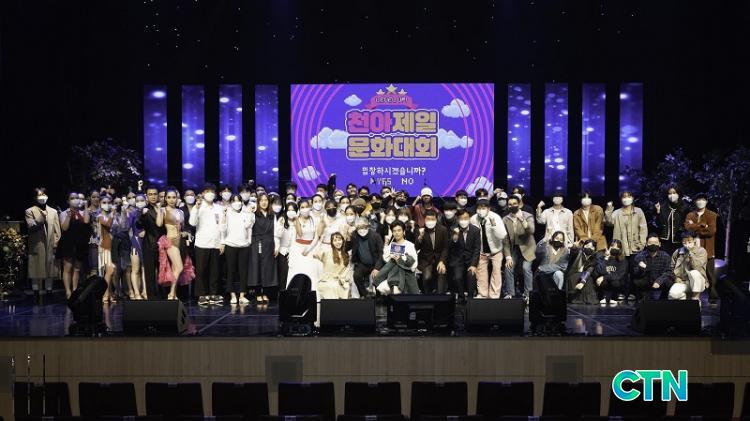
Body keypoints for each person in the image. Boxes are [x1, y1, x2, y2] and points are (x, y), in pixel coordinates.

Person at [189, 184, 224, 306]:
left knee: (215, 271)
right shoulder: (199, 207)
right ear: (203, 193)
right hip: (202, 243)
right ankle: (202, 295)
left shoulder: (218, 208)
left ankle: (213, 293)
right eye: (207, 191)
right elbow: (192, 223)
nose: (210, 194)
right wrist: (196, 208)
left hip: (216, 243)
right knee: (201, 270)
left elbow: (222, 226)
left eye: (212, 191)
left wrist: (222, 242)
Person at [25, 188, 61, 298]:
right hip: (37, 244)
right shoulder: (30, 211)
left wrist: (56, 243)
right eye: (39, 195)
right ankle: (36, 291)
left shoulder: (53, 212)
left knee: (50, 268)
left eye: (44, 194)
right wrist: (41, 217)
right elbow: (31, 226)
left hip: (50, 244)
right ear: (35, 197)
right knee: (36, 268)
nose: (42, 197)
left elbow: (57, 230)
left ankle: (49, 290)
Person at [220, 194, 254, 305]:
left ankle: (242, 295)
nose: (237, 203)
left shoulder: (245, 213)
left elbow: (248, 226)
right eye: (234, 201)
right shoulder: (227, 213)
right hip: (231, 245)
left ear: (241, 202)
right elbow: (223, 228)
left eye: (238, 201)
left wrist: (250, 213)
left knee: (243, 271)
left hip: (244, 246)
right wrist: (224, 215)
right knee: (231, 271)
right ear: (231, 203)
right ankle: (233, 295)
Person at [470, 199, 507, 299]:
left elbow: (502, 235)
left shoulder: (495, 217)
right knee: (481, 273)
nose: (481, 210)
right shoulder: (473, 219)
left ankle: (494, 295)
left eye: (483, 208)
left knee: (496, 273)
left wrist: (494, 225)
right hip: (482, 251)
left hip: (496, 250)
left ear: (488, 209)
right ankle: (483, 294)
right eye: (479, 208)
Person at [684, 193, 718, 300]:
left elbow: (711, 231)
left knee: (710, 274)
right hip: (692, 248)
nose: (700, 202)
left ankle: (712, 296)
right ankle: (691, 297)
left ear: (706, 201)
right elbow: (687, 228)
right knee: (692, 272)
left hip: (708, 249)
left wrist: (694, 226)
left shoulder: (712, 215)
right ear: (695, 201)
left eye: (703, 199)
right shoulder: (690, 215)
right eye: (698, 200)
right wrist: (702, 225)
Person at [502, 195, 536, 299]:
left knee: (526, 268)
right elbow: (505, 239)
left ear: (519, 204)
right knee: (508, 267)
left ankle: (528, 295)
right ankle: (510, 293)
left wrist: (523, 222)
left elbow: (532, 230)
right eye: (510, 204)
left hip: (528, 247)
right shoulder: (505, 219)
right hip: (514, 248)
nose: (512, 206)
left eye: (514, 204)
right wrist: (508, 256)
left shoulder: (528, 216)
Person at [57, 192, 90, 298]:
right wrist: (69, 215)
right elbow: (64, 228)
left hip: (80, 243)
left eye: (76, 198)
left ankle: (75, 290)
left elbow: (86, 221)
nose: (75, 200)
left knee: (77, 269)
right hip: (68, 243)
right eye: (72, 198)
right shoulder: (64, 213)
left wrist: (85, 206)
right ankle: (68, 291)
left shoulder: (82, 212)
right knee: (68, 267)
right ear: (68, 201)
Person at [373, 220, 420, 295]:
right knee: (382, 287)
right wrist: (387, 247)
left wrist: (401, 259)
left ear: (403, 231)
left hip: (406, 274)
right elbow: (385, 259)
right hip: (392, 273)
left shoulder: (410, 245)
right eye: (394, 231)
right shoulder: (391, 245)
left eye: (399, 230)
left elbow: (414, 265)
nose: (397, 233)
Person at [155, 188, 186, 300]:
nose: (172, 200)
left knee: (175, 269)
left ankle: (174, 294)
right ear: (165, 199)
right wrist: (159, 210)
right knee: (179, 267)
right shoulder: (163, 210)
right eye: (169, 197)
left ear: (177, 198)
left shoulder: (180, 212)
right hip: (170, 241)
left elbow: (182, 227)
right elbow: (159, 224)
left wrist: (185, 233)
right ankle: (171, 293)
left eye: (174, 197)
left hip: (180, 241)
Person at [137, 185, 166, 299]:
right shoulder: (144, 210)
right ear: (147, 196)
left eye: (155, 194)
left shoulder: (163, 208)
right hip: (149, 244)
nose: (153, 196)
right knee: (149, 272)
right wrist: (143, 216)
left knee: (163, 271)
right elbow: (138, 224)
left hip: (163, 244)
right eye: (150, 194)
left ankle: (164, 296)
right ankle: (151, 298)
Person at [287, 199, 321, 293]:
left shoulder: (315, 219)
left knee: (310, 272)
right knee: (297, 272)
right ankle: (295, 295)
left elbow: (316, 237)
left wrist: (309, 249)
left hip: (311, 248)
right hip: (297, 249)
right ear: (299, 209)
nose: (305, 209)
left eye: (306, 207)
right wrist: (291, 252)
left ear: (310, 207)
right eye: (302, 207)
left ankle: (312, 296)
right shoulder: (296, 219)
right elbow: (298, 235)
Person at [249, 193, 277, 303]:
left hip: (269, 244)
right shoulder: (254, 214)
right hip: (257, 243)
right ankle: (258, 293)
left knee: (267, 269)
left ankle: (265, 292)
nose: (264, 202)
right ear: (258, 202)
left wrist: (276, 245)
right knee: (257, 268)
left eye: (266, 200)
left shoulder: (272, 215)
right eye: (261, 200)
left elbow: (276, 231)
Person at [415, 209, 450, 293]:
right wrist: (420, 237)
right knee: (427, 277)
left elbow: (445, 248)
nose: (430, 221)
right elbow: (416, 247)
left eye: (432, 219)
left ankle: (440, 296)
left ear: (436, 219)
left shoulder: (443, 230)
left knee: (441, 273)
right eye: (428, 219)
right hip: (426, 260)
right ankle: (428, 296)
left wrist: (442, 261)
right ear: (424, 219)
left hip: (440, 258)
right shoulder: (420, 230)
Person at [448, 209, 480, 301]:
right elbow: (449, 246)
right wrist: (455, 236)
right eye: (461, 219)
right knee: (457, 277)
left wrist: (473, 265)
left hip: (470, 260)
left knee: (471, 275)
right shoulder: (453, 229)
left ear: (469, 218)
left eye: (465, 218)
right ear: (458, 219)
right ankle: (461, 297)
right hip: (458, 259)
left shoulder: (475, 230)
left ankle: (470, 298)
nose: (463, 221)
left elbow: (477, 248)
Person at [630, 234, 673, 301]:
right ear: (646, 244)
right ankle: (642, 299)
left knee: (669, 282)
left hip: (660, 281)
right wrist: (641, 269)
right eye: (650, 243)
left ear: (659, 244)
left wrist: (659, 281)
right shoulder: (639, 256)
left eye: (655, 242)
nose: (653, 245)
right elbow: (636, 274)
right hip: (646, 282)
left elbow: (668, 272)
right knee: (636, 282)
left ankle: (664, 299)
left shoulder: (665, 256)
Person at [668, 231, 707, 302]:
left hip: (698, 281)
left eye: (689, 241)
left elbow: (697, 267)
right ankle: (684, 303)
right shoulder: (678, 252)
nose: (687, 244)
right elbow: (671, 268)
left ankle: (695, 299)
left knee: (694, 273)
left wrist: (691, 254)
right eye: (684, 242)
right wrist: (675, 278)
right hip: (683, 281)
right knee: (673, 294)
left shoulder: (701, 251)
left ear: (694, 240)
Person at [349, 217, 383, 297]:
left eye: (364, 227)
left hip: (375, 264)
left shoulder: (375, 236)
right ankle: (365, 295)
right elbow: (347, 247)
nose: (362, 229)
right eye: (359, 227)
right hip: (363, 264)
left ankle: (378, 297)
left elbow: (381, 253)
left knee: (376, 277)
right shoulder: (354, 235)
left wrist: (377, 268)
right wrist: (348, 238)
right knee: (356, 276)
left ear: (368, 226)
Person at [314, 232, 353, 299]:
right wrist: (320, 242)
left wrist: (343, 279)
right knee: (332, 286)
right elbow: (315, 254)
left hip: (340, 280)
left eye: (339, 240)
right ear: (332, 243)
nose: (337, 242)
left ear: (342, 241)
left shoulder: (346, 255)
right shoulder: (327, 253)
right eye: (335, 240)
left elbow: (347, 271)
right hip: (327, 280)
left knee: (345, 286)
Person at [96, 195, 120, 303]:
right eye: (104, 202)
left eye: (108, 202)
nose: (107, 205)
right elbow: (108, 224)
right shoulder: (100, 216)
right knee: (109, 270)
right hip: (105, 246)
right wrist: (112, 214)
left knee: (111, 271)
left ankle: (109, 293)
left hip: (113, 246)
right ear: (100, 204)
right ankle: (105, 294)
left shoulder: (112, 216)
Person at [594, 239, 629, 306]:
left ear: (620, 249)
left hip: (615, 283)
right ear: (608, 247)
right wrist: (606, 258)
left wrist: (604, 277)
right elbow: (600, 271)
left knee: (615, 282)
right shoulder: (601, 257)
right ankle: (603, 296)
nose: (615, 248)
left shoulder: (622, 260)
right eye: (612, 246)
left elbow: (619, 275)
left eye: (617, 247)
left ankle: (614, 297)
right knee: (602, 281)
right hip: (604, 283)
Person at [655, 185, 688, 255]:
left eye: (674, 193)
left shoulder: (685, 208)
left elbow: (686, 225)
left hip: (679, 240)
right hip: (665, 241)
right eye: (669, 193)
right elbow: (659, 224)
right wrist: (658, 212)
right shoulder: (663, 207)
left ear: (678, 194)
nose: (672, 195)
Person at [566, 239, 600, 304]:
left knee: (589, 279)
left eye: (592, 247)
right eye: (587, 245)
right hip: (573, 274)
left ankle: (588, 299)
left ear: (594, 248)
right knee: (578, 276)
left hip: (585, 275)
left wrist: (583, 282)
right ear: (584, 246)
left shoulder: (594, 257)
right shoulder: (578, 252)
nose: (589, 248)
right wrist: (574, 247)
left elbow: (590, 269)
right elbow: (573, 252)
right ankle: (576, 299)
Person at [128, 193, 147, 299]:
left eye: (142, 200)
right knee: (135, 269)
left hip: (147, 243)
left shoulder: (149, 212)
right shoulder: (132, 213)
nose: (140, 202)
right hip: (135, 242)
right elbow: (127, 227)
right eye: (138, 201)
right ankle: (136, 293)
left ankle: (145, 291)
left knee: (145, 268)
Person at [274, 202, 297, 291]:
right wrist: (280, 225)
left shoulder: (298, 221)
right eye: (289, 210)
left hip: (294, 251)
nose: (291, 212)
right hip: (282, 251)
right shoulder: (282, 220)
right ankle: (282, 292)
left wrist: (292, 251)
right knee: (283, 274)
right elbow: (277, 235)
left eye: (293, 210)